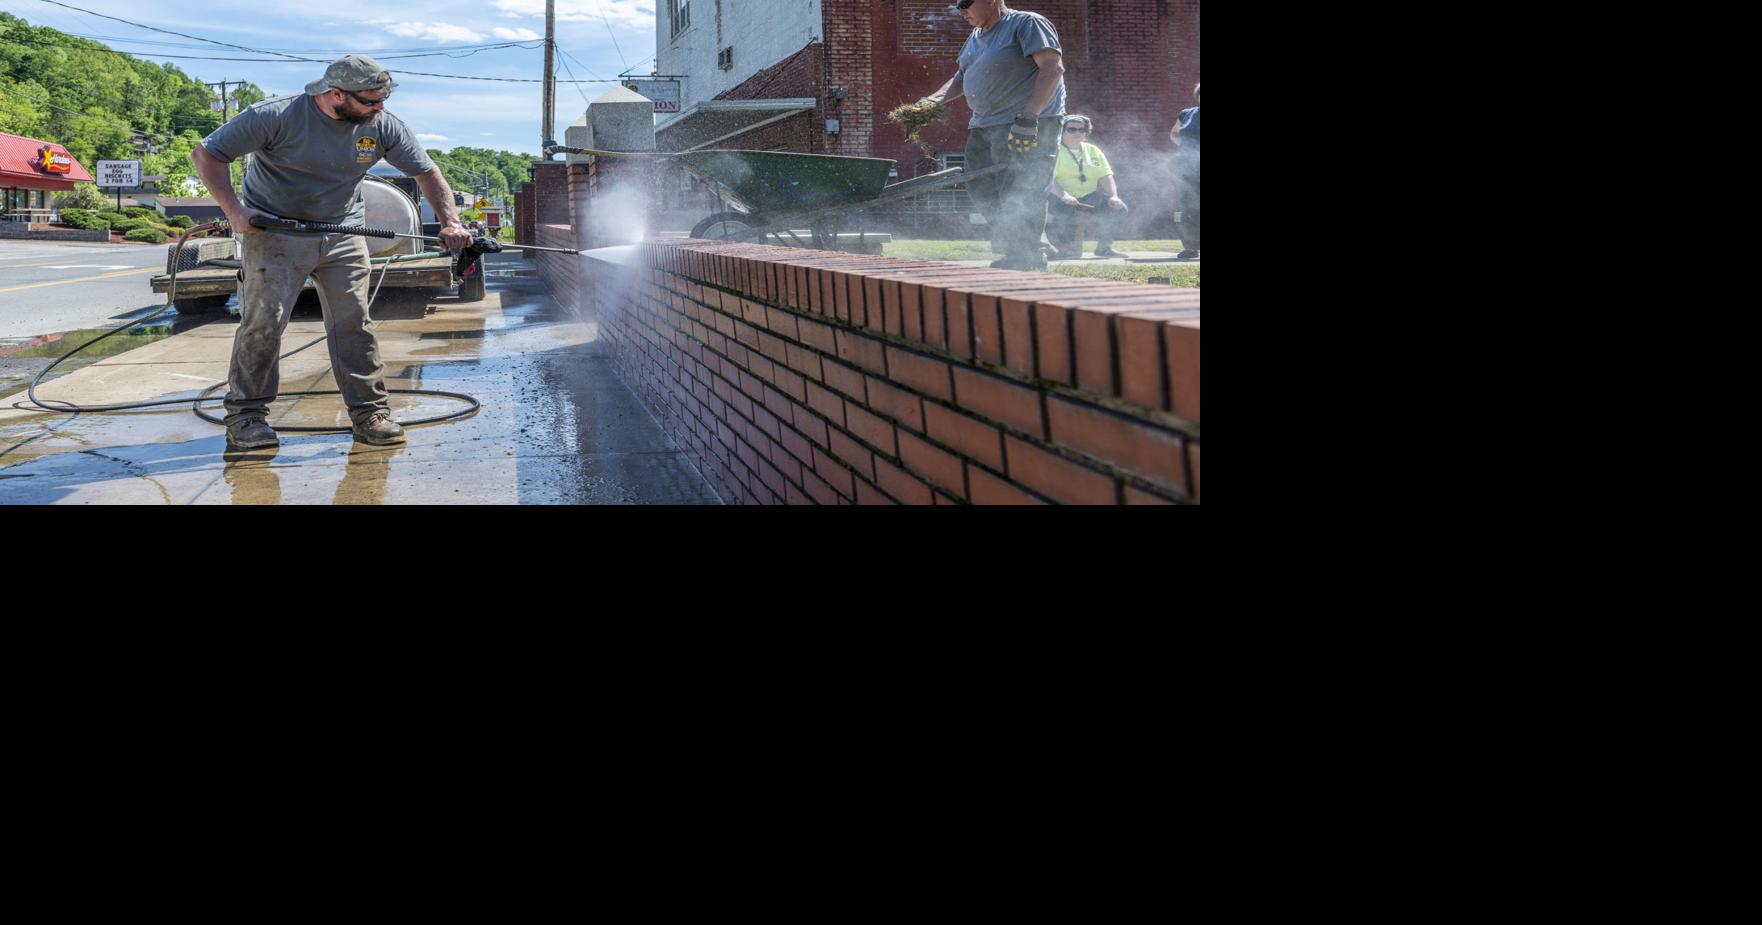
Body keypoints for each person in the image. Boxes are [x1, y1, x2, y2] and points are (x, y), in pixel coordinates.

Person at [190, 54, 473, 451]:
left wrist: (450, 222)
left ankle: (370, 413)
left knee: (354, 323)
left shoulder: (382, 125)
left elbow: (426, 172)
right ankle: (246, 416)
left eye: (383, 99)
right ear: (335, 94)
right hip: (274, 231)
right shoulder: (274, 115)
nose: (380, 108)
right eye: (370, 101)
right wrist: (234, 211)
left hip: (342, 232)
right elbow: (207, 154)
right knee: (264, 323)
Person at [917, 0, 1066, 270]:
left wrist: (1029, 117)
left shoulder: (1026, 23)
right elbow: (961, 76)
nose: (960, 10)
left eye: (965, 3)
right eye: (957, 5)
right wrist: (934, 100)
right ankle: (1019, 245)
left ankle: (1026, 254)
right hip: (984, 125)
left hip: (1027, 123)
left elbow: (1052, 68)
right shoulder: (975, 37)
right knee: (980, 187)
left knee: (1021, 188)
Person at [1044, 114, 1128, 259]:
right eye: (1071, 129)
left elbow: (1105, 176)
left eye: (1081, 129)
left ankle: (1104, 247)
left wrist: (1114, 196)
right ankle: (1066, 249)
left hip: (1087, 197)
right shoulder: (1054, 150)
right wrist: (1064, 195)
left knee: (1119, 209)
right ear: (1062, 131)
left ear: (1086, 132)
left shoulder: (1093, 150)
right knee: (1067, 212)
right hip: (1058, 196)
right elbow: (1048, 178)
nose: (1077, 133)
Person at [1169, 82, 1200, 259]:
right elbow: (1174, 133)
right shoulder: (1187, 114)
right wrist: (1186, 148)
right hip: (1186, 168)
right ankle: (1191, 246)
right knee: (1188, 207)